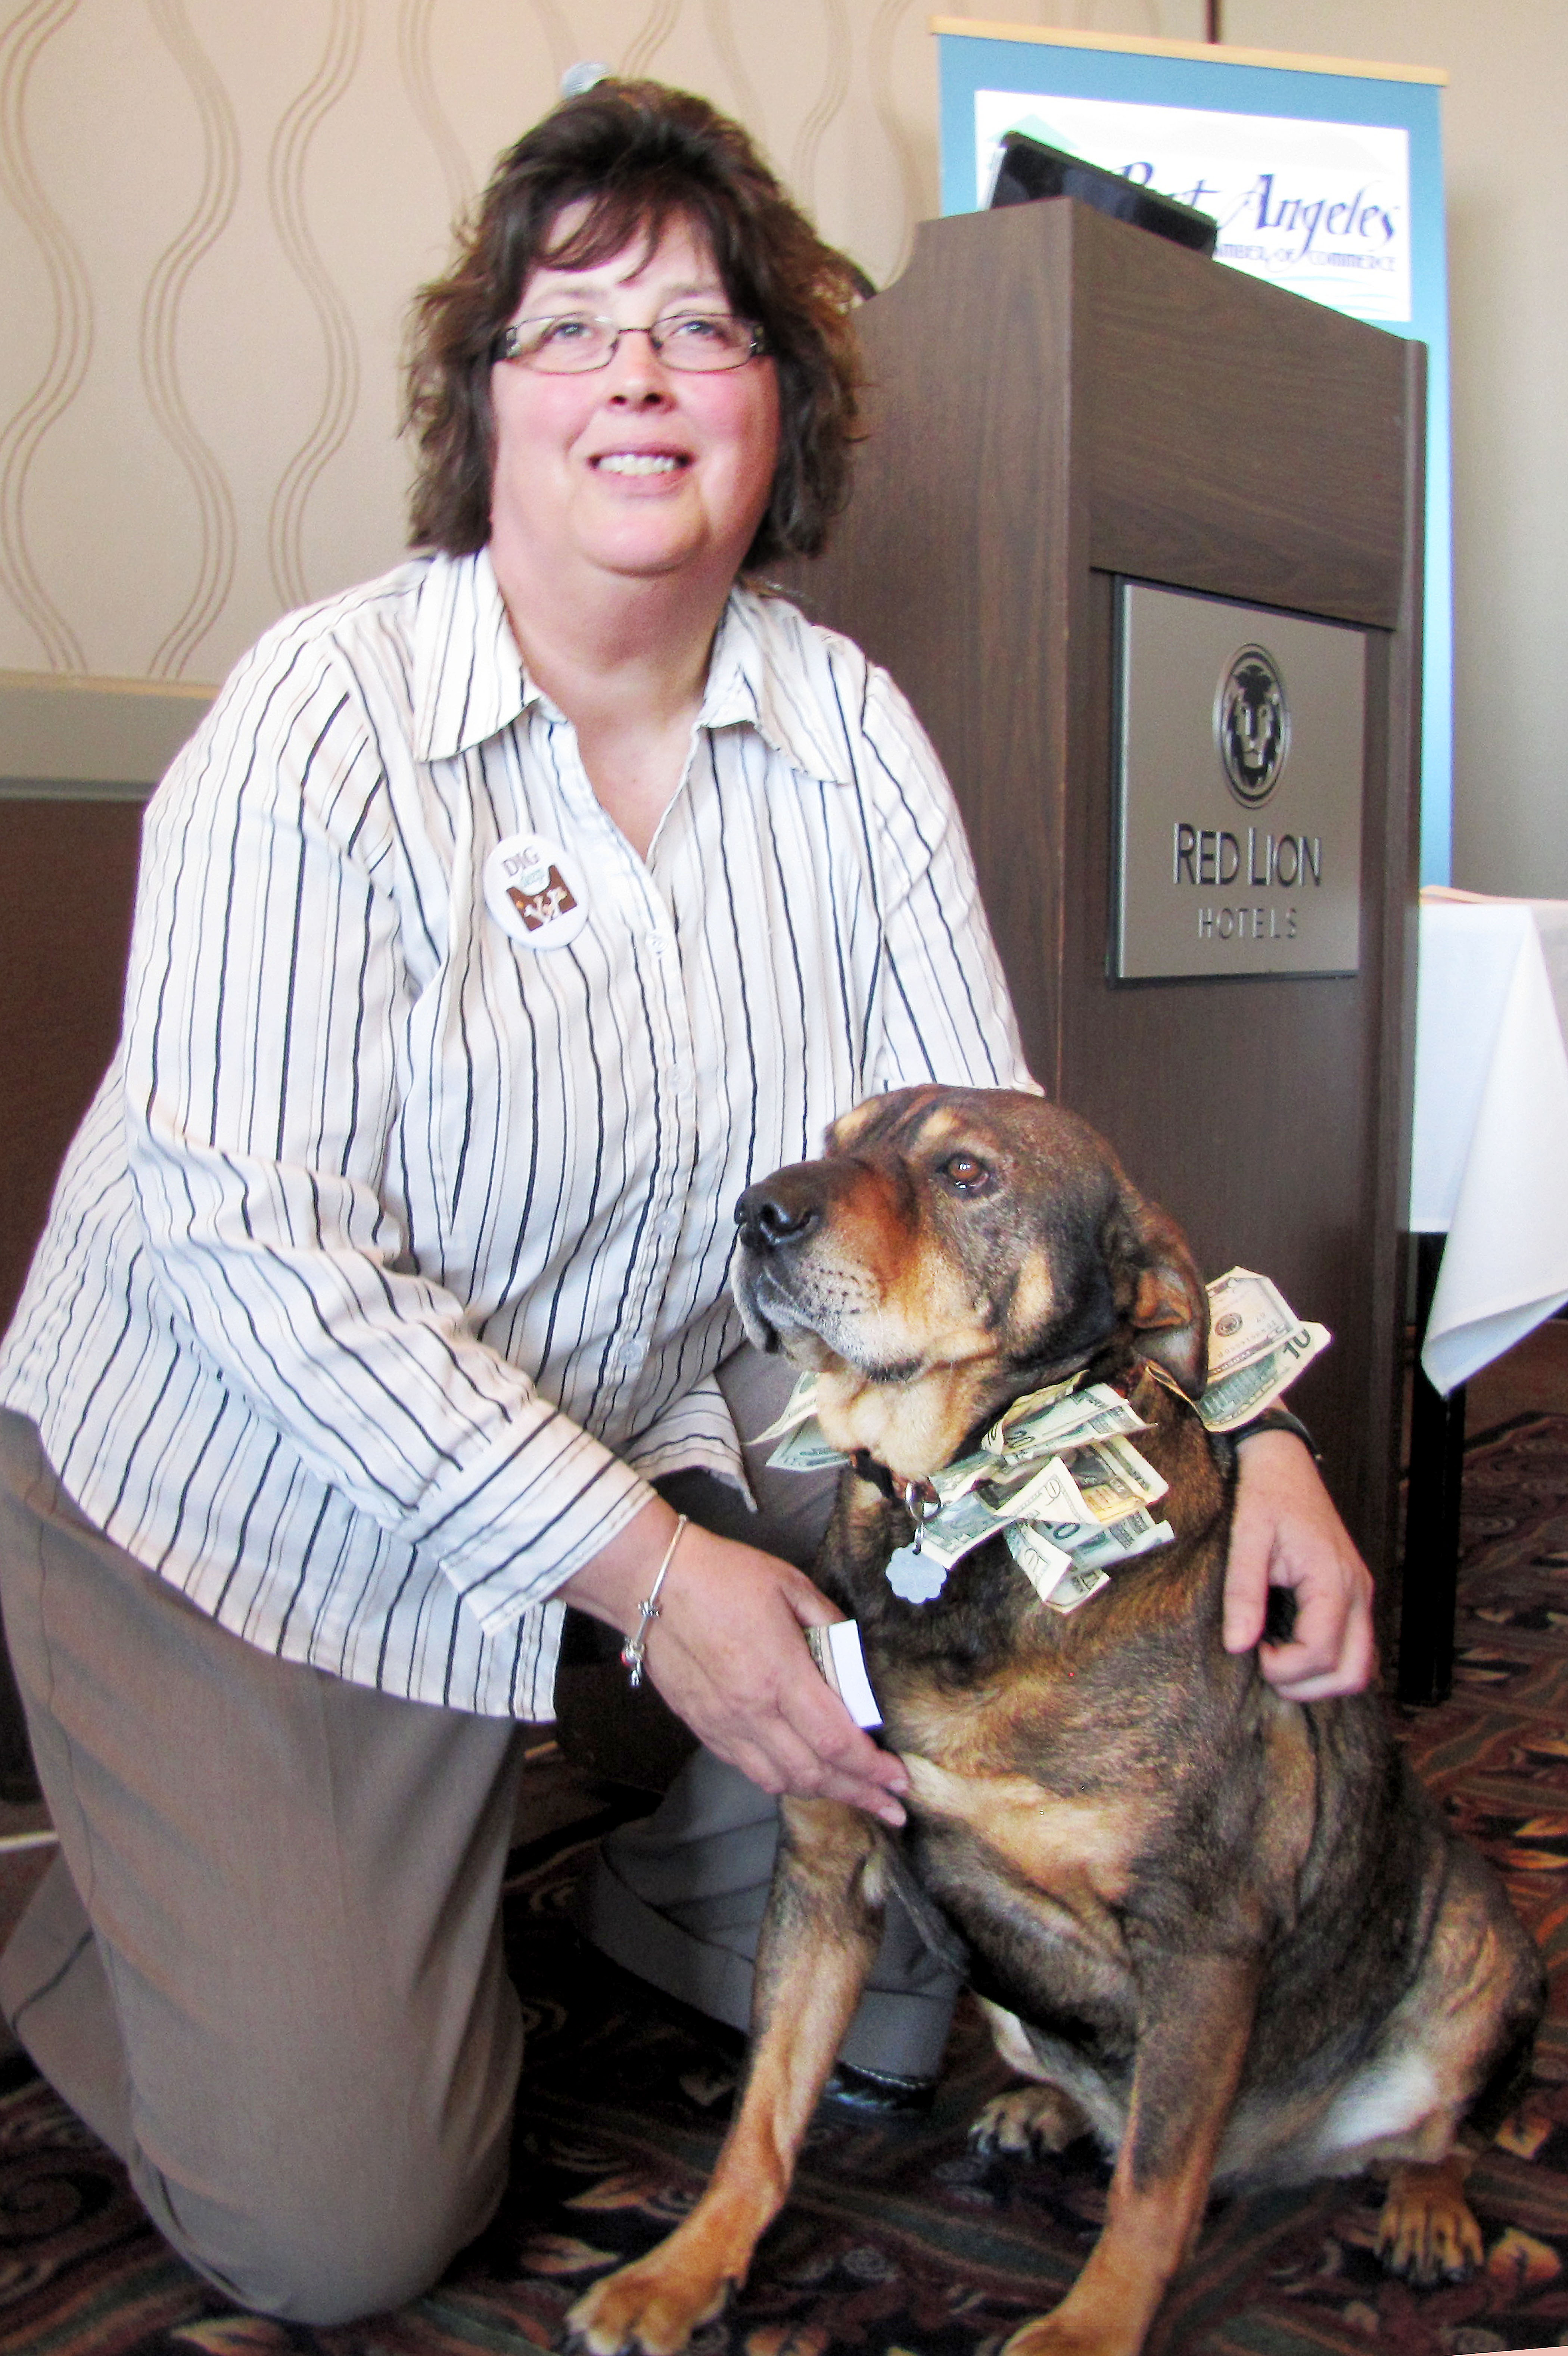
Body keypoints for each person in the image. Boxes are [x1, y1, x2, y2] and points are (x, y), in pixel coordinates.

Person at [0, 79, 1373, 2327]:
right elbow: (252, 1254)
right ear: (487, 404)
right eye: (572, 324)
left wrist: (1267, 1427)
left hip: (641, 1448)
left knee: (913, 1983)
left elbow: (1014, 1154)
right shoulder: (316, 728)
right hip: (246, 1503)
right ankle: (103, 1892)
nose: (638, 369)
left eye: (703, 325)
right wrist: (652, 1582)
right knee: (341, 2224)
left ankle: (598, 1850)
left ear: (781, 407)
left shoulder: (841, 733)